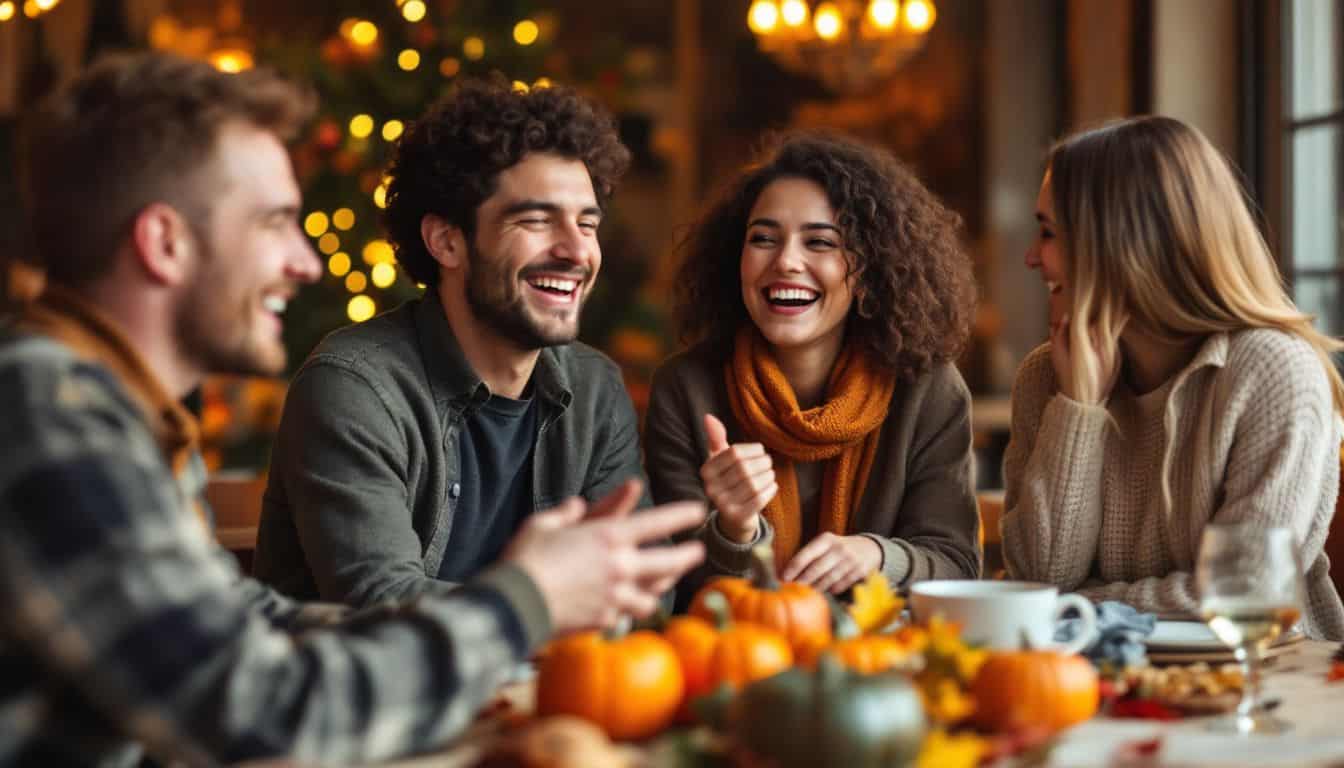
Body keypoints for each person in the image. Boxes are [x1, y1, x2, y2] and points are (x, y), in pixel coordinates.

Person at [2, 51, 705, 767]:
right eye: (274, 223)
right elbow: (262, 713)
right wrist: (524, 603)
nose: (305, 262)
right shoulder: (49, 416)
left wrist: (524, 608)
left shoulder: (118, 413)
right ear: (164, 242)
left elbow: (250, 624)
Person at [254, 76, 653, 606]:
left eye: (587, 223)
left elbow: (640, 585)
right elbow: (380, 600)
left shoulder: (595, 387)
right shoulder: (355, 388)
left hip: (555, 688)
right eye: (536, 220)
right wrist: (545, 601)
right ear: (447, 241)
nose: (577, 251)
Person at [1002, 115, 1344, 640]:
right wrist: (1079, 409)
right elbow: (1039, 580)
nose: (1031, 257)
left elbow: (1246, 595)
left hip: (1264, 686)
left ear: (1119, 245)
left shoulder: (1272, 371)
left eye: (1048, 233)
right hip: (1095, 682)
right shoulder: (1046, 377)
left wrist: (1085, 606)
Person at [645, 132, 981, 603]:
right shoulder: (687, 388)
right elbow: (672, 592)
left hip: (885, 664)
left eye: (820, 242)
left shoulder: (926, 387)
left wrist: (877, 556)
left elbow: (959, 566)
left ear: (869, 267)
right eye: (763, 238)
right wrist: (735, 530)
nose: (786, 262)